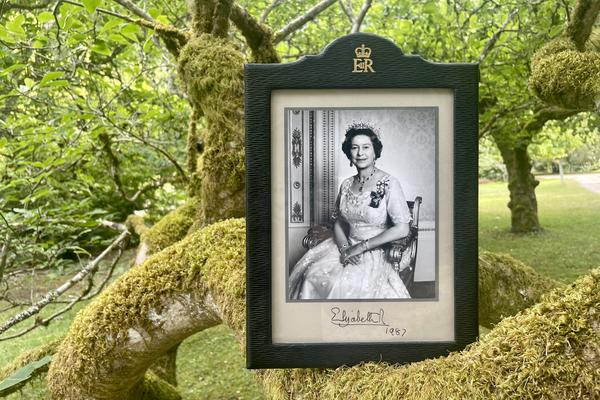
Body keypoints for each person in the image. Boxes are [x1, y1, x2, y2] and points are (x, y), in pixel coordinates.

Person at [289, 123, 412, 300]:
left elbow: (402, 228)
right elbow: (339, 222)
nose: (360, 153)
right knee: (312, 276)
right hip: (344, 245)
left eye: (366, 147)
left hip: (375, 250)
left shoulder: (389, 183)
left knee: (347, 286)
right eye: (355, 148)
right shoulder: (346, 184)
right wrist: (345, 248)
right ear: (349, 153)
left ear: (375, 151)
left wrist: (361, 247)